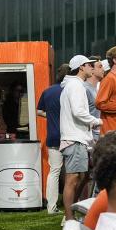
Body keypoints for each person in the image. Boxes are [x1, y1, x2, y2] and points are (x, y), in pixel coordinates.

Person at [59, 55, 102, 230]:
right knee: (73, 179)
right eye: (89, 65)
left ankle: (70, 216)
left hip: (78, 138)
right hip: (74, 138)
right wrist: (98, 121)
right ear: (81, 67)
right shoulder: (75, 86)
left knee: (81, 176)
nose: (92, 68)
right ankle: (69, 220)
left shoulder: (73, 85)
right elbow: (79, 112)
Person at [36, 63, 69, 214]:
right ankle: (72, 206)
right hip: (70, 137)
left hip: (53, 136)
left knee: (54, 171)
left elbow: (39, 111)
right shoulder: (71, 90)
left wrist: (51, 116)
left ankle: (51, 207)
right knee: (73, 173)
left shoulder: (48, 91)